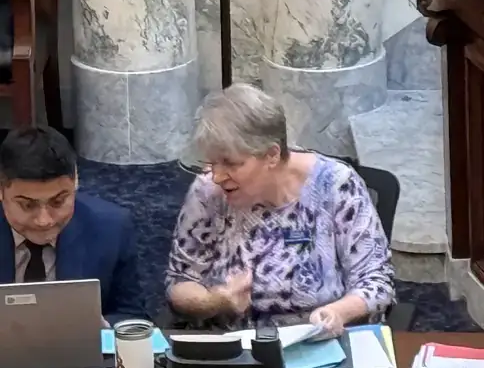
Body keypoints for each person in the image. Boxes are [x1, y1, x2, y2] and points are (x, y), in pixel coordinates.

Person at [165, 85, 394, 335]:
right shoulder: (207, 190)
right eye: (212, 162)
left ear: (272, 155)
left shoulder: (335, 185)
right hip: (231, 342)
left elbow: (376, 283)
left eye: (230, 163)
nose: (217, 176)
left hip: (317, 340)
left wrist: (338, 312)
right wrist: (215, 301)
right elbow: (180, 281)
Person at [0, 127, 142, 322]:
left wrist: (102, 328)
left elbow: (133, 316)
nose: (44, 220)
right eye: (27, 205)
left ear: (76, 182)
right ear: (1, 191)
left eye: (58, 202)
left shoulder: (111, 228)